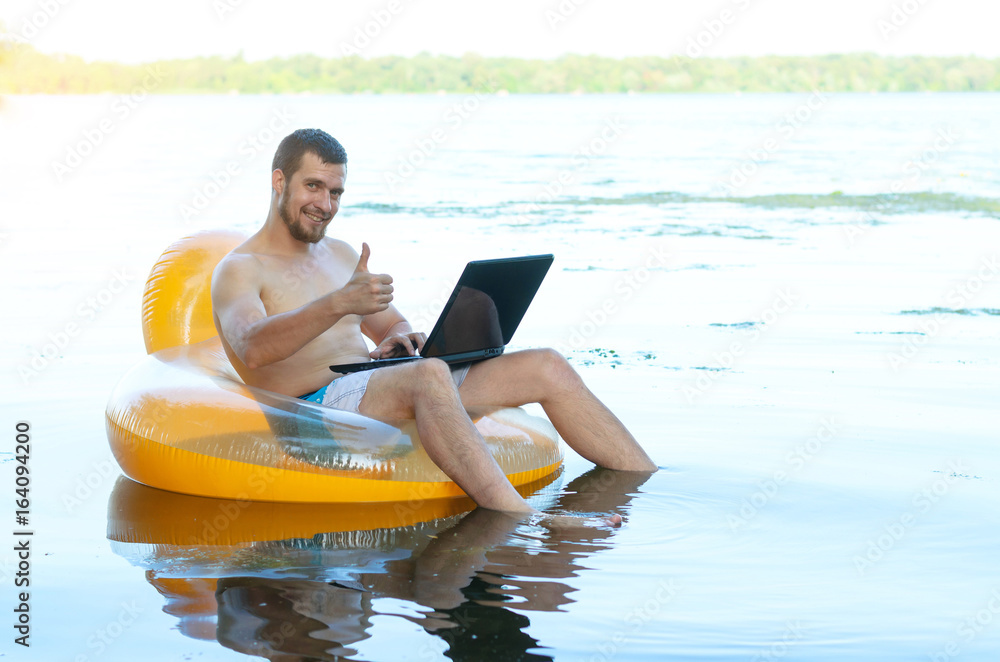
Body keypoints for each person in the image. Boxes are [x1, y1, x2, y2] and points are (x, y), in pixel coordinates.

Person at [211, 128, 656, 522]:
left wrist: (399, 337)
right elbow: (252, 347)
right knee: (428, 375)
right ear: (278, 181)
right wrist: (337, 303)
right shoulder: (241, 269)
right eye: (313, 186)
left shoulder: (342, 254)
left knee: (546, 366)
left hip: (373, 383)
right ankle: (524, 519)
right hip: (314, 407)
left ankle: (647, 482)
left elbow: (389, 324)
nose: (325, 205)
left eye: (336, 192)